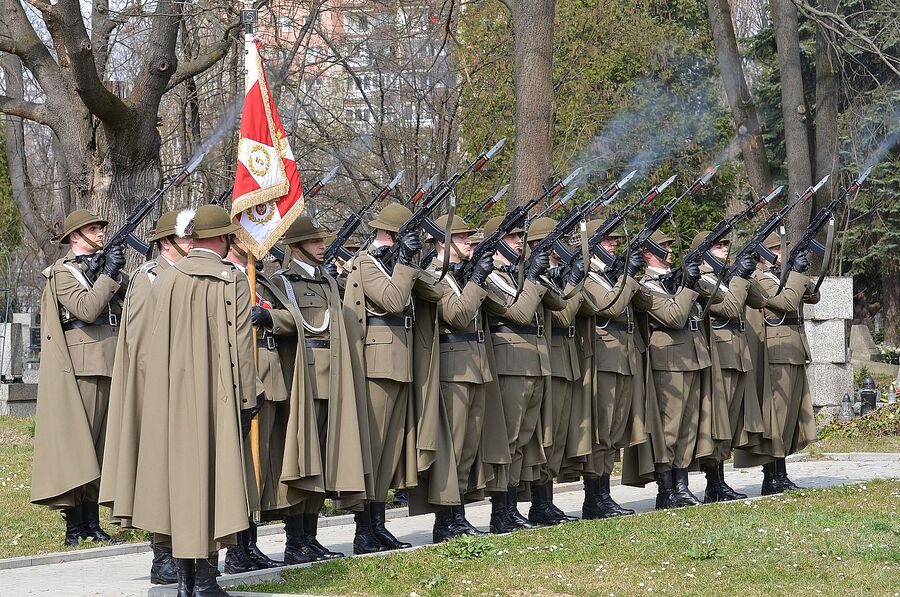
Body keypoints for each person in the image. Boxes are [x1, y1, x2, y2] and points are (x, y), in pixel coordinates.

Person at [130, 205, 259, 597]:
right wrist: (248, 398)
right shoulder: (230, 279)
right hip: (218, 394)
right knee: (215, 481)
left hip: (171, 395)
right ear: (221, 239)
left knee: (181, 484)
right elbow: (240, 346)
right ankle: (205, 580)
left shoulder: (165, 279)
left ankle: (186, 579)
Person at [263, 216, 370, 561]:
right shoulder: (281, 281)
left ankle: (310, 537)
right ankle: (295, 541)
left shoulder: (327, 281)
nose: (322, 246)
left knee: (323, 458)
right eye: (314, 242)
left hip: (332, 376)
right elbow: (278, 317)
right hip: (302, 375)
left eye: (322, 241)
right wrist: (274, 320)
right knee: (302, 459)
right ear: (295, 247)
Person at [99, 210, 192, 584]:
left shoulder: (185, 278)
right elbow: (140, 346)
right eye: (186, 239)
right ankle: (162, 555)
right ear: (166, 243)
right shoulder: (148, 279)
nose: (193, 244)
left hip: (183, 389)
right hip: (157, 393)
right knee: (157, 475)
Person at [31, 209, 127, 546]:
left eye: (101, 228)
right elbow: (86, 309)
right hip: (84, 366)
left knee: (101, 450)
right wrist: (108, 273)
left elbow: (125, 304)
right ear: (75, 237)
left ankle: (92, 522)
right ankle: (74, 527)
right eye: (93, 229)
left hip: (111, 361)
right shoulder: (63, 272)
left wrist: (115, 273)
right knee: (79, 449)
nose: (101, 233)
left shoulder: (95, 267)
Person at [342, 202, 429, 553]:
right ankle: (363, 530)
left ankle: (378, 524)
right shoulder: (366, 263)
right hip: (377, 364)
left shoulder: (392, 263)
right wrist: (406, 262)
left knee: (389, 451)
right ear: (393, 236)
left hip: (400, 361)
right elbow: (393, 301)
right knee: (374, 449)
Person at [480, 215, 561, 533]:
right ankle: (501, 512)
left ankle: (512, 507)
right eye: (513, 238)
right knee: (508, 442)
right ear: (496, 243)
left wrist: (543, 274)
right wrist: (533, 279)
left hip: (534, 364)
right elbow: (519, 312)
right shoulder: (490, 279)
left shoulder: (520, 276)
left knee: (525, 441)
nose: (519, 243)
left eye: (520, 237)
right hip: (510, 366)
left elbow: (557, 303)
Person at [426, 215, 497, 542]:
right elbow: (456, 315)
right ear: (442, 243)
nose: (470, 242)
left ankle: (459, 515)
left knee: (468, 448)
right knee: (452, 448)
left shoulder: (460, 276)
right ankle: (445, 520)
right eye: (462, 237)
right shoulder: (433, 276)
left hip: (475, 366)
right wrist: (477, 280)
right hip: (453, 370)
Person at [734, 234, 820, 494]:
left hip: (793, 348)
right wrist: (794, 274)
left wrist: (799, 271)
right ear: (763, 255)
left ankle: (780, 474)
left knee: (789, 417)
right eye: (774, 249)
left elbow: (813, 296)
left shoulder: (780, 276)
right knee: (776, 416)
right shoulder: (759, 280)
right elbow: (784, 303)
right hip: (776, 350)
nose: (780, 253)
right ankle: (771, 476)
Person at [688, 232, 766, 502]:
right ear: (704, 253)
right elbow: (732, 308)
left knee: (730, 422)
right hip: (718, 356)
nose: (724, 249)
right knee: (718, 423)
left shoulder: (723, 279)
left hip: (736, 354)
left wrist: (742, 271)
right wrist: (739, 278)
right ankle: (714, 483)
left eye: (724, 245)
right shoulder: (701, 282)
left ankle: (720, 482)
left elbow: (760, 299)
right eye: (718, 246)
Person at [221, 236, 283, 574]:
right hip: (241, 381)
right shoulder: (224, 276)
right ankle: (235, 549)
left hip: (269, 377)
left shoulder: (258, 277)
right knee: (242, 470)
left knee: (259, 469)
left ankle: (250, 544)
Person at [580, 223, 650, 518]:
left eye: (614, 241)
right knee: (601, 431)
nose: (613, 245)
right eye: (608, 241)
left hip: (623, 358)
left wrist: (626, 275)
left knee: (614, 430)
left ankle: (604, 494)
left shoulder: (610, 276)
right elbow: (610, 307)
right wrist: (627, 276)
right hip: (603, 360)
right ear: (593, 246)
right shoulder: (587, 277)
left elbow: (643, 302)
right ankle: (594, 498)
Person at [639, 230, 710, 509]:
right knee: (670, 428)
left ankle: (681, 485)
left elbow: (712, 300)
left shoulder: (674, 280)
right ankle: (665, 490)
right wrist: (688, 286)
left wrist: (691, 279)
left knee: (688, 428)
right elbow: (674, 316)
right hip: (669, 360)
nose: (670, 250)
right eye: (664, 246)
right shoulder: (646, 285)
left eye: (670, 244)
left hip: (692, 356)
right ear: (648, 253)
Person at [525, 217, 586, 526]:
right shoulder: (532, 277)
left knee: (558, 437)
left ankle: (545, 502)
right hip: (548, 361)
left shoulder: (549, 275)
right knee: (545, 438)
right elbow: (562, 316)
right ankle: (539, 503)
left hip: (565, 362)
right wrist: (574, 282)